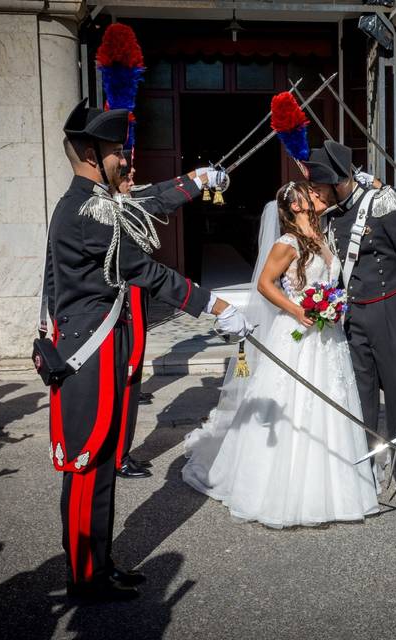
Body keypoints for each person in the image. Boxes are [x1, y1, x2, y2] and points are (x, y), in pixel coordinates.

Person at [44, 99, 249, 602]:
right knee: (88, 464)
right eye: (117, 151)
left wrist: (196, 180)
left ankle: (99, 562)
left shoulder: (97, 201)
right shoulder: (87, 210)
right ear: (93, 152)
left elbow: (146, 202)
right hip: (87, 355)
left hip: (102, 347)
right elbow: (143, 271)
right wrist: (212, 304)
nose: (124, 161)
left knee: (106, 457)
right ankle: (84, 576)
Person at [182, 182, 379, 527]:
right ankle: (281, 490)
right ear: (296, 205)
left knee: (331, 404)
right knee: (294, 404)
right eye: (309, 194)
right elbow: (264, 284)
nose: (317, 196)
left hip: (328, 336)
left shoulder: (324, 236)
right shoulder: (288, 243)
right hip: (297, 333)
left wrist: (332, 305)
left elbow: (332, 281)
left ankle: (336, 489)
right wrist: (298, 309)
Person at [306, 140, 396, 513]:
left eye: (319, 185)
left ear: (337, 180)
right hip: (355, 318)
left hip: (392, 313)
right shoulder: (332, 216)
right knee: (360, 402)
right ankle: (364, 478)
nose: (315, 193)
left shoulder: (384, 204)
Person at [113, 161, 220, 480]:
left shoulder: (125, 195)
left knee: (130, 379)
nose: (132, 175)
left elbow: (157, 189)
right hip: (124, 300)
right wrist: (200, 185)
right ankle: (117, 457)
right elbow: (158, 201)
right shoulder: (114, 204)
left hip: (133, 298)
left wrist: (197, 175)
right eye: (125, 170)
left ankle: (121, 452)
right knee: (127, 377)